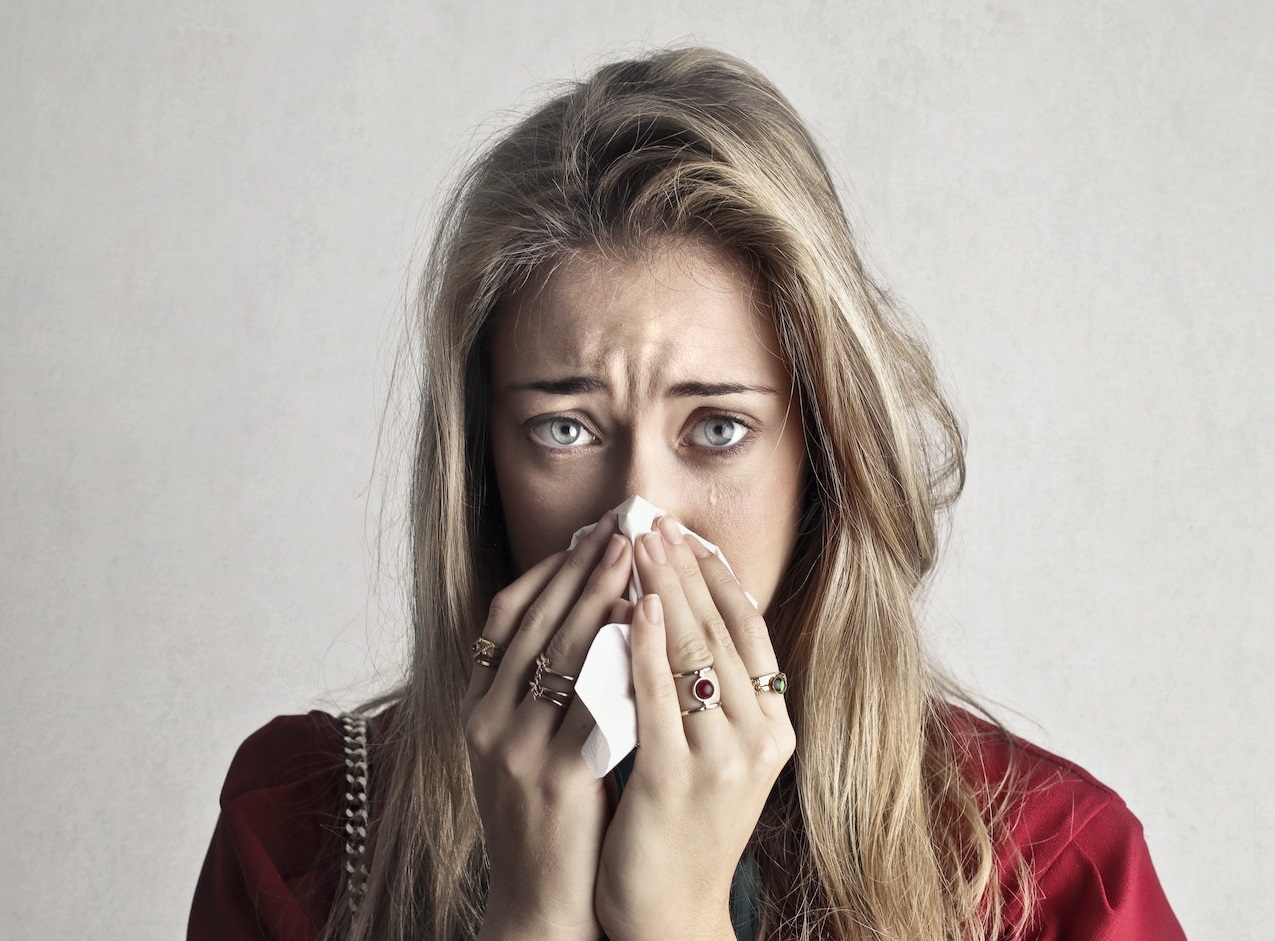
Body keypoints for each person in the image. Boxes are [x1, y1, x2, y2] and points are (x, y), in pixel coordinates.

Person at [189, 47, 1186, 941]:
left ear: (825, 457)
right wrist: (532, 920)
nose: (639, 513)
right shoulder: (306, 827)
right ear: (482, 468)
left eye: (718, 429)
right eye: (564, 428)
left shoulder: (1047, 872)